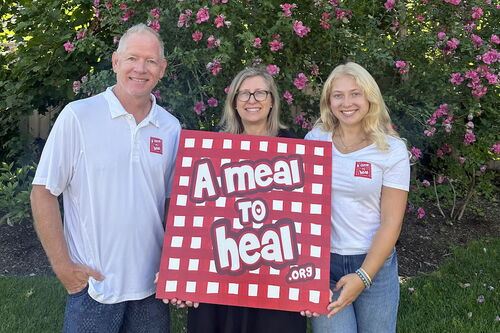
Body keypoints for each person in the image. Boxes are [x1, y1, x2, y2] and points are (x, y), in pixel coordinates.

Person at [30, 23, 180, 332]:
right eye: (132, 58)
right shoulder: (79, 116)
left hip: (152, 288)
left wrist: (174, 265)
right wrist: (64, 268)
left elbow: (171, 204)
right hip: (94, 287)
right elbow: (43, 192)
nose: (141, 68)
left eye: (151, 61)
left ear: (162, 69)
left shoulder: (170, 127)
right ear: (115, 62)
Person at [186, 66, 307, 333]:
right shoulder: (213, 148)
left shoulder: (295, 149)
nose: (252, 100)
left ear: (272, 100)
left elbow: (307, 223)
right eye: (244, 94)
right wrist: (187, 278)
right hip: (221, 272)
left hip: (276, 277)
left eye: (260, 93)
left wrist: (307, 284)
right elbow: (197, 220)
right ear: (234, 102)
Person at [303, 62, 410, 332]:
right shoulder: (315, 140)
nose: (346, 102)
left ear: (369, 98)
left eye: (355, 93)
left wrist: (364, 276)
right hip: (323, 264)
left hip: (375, 264)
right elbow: (299, 209)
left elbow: (391, 222)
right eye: (338, 95)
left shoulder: (391, 149)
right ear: (329, 100)